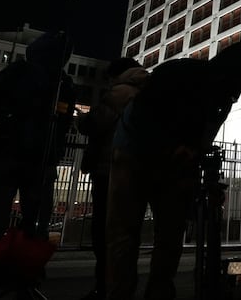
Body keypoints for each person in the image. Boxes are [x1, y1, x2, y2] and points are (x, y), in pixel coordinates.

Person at [105, 42, 241, 300]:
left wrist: (191, 161)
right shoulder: (179, 74)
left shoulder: (222, 94)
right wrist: (176, 151)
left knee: (169, 236)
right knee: (125, 235)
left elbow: (201, 136)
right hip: (134, 154)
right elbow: (144, 120)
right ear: (231, 71)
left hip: (171, 163)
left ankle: (159, 293)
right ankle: (119, 294)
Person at [0, 30, 76, 299]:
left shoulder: (18, 72)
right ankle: (24, 279)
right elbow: (64, 123)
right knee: (34, 226)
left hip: (6, 154)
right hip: (41, 162)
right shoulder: (64, 83)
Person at [76, 57, 149, 300]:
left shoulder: (120, 92)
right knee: (127, 233)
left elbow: (97, 123)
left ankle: (106, 288)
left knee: (106, 234)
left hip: (111, 168)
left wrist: (81, 119)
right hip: (137, 170)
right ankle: (121, 288)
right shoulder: (145, 90)